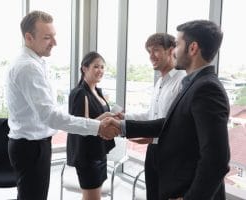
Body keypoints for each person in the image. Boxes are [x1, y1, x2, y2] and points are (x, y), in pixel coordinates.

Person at [109, 20, 230, 199]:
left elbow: (217, 159)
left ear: (193, 48)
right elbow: (170, 124)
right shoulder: (194, 84)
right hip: (174, 177)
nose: (175, 50)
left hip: (186, 186)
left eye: (178, 44)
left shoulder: (207, 89)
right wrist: (122, 126)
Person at [5, 11, 118, 200]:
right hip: (31, 147)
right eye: (47, 37)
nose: (54, 43)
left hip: (33, 144)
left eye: (54, 36)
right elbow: (50, 116)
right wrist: (97, 127)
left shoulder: (36, 63)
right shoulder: (28, 67)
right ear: (28, 37)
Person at [117, 33, 186, 200]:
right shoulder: (160, 82)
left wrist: (124, 127)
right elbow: (151, 115)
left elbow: (174, 124)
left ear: (171, 51)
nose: (151, 56)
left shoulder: (182, 81)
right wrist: (124, 118)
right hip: (153, 151)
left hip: (172, 155)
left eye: (156, 50)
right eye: (149, 51)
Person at [67, 51, 115, 200]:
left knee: (94, 195)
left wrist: (111, 116)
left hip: (98, 150)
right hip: (87, 154)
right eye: (96, 66)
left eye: (102, 67)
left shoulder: (98, 92)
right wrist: (106, 117)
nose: (100, 70)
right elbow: (81, 126)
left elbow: (95, 118)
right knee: (92, 196)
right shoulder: (80, 93)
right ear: (84, 69)